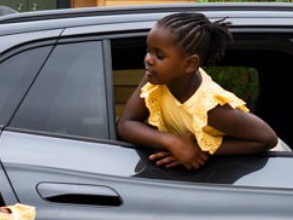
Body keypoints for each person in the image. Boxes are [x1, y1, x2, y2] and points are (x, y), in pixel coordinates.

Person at [119, 11, 280, 169]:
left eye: (159, 55)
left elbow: (267, 139)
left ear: (189, 64)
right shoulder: (156, 79)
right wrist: (172, 142)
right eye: (148, 50)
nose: (148, 59)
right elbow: (126, 124)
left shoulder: (209, 107)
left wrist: (200, 150)